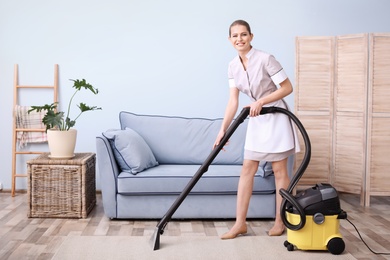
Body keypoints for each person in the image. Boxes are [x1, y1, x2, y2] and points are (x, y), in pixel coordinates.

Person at [213, 19, 299, 239]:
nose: (239, 39)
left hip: (276, 117)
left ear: (251, 36)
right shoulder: (232, 66)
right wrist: (223, 129)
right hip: (257, 119)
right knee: (247, 170)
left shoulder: (265, 59)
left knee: (280, 172)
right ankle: (240, 224)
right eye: (235, 36)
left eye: (243, 34)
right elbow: (233, 101)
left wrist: (262, 101)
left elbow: (287, 88)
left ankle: (280, 221)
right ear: (229, 39)